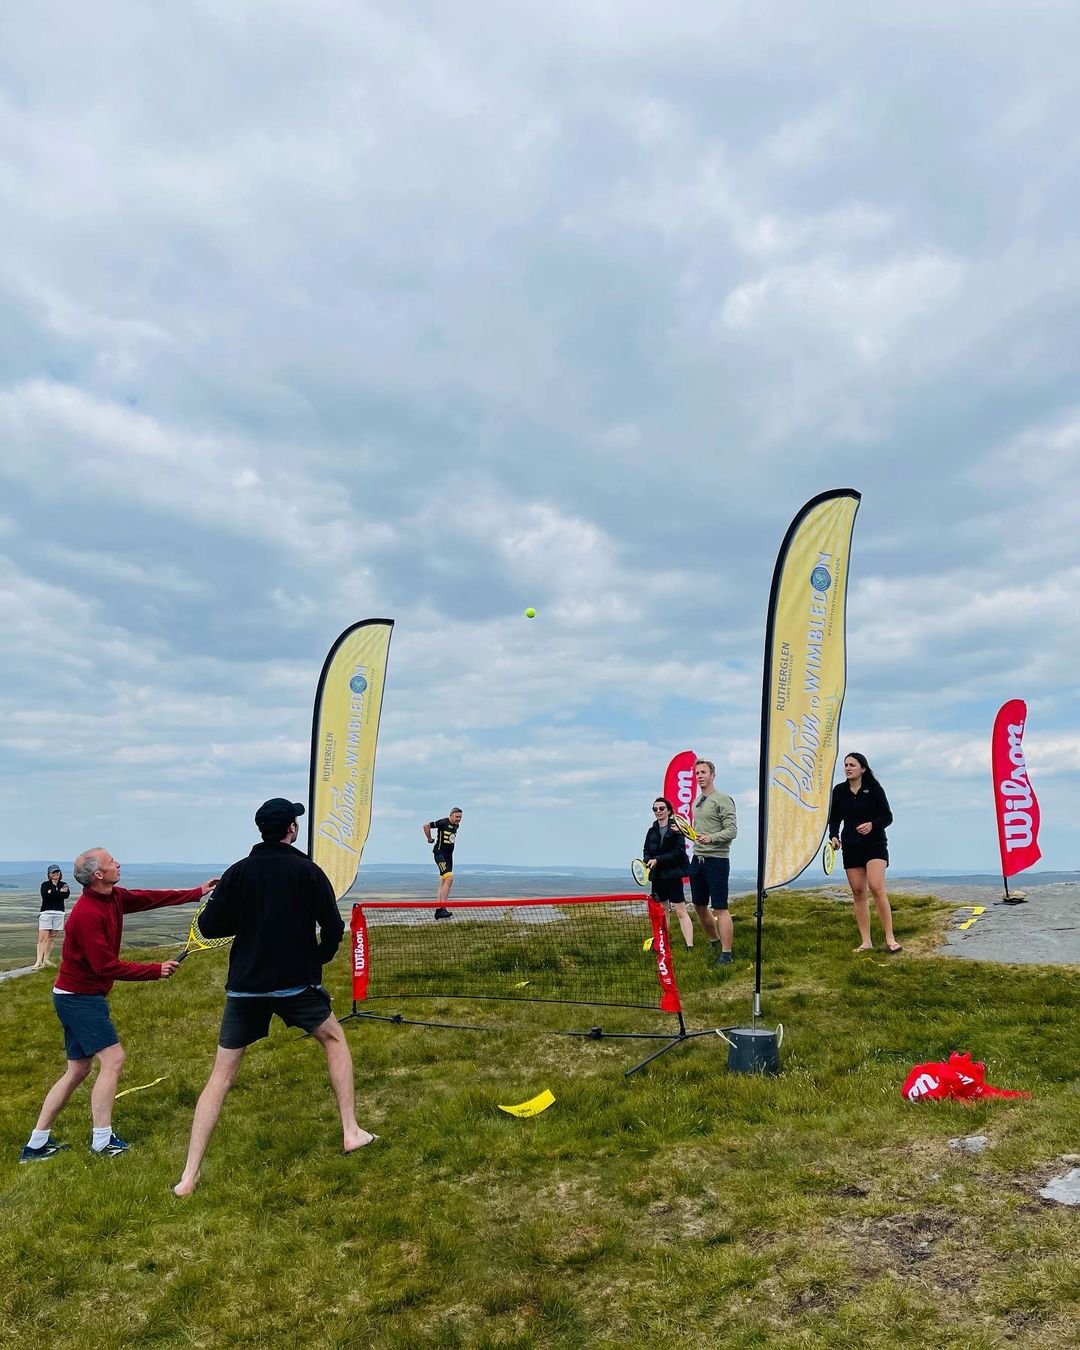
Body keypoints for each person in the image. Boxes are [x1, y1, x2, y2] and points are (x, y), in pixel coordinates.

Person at [173, 798, 376, 1197]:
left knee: (221, 1074)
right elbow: (333, 928)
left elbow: (211, 926)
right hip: (295, 985)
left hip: (244, 987)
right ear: (291, 830)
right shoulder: (308, 871)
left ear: (261, 830)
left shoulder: (237, 874)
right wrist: (320, 956)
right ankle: (351, 1132)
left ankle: (188, 1177)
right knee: (334, 1040)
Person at [19, 850, 217, 1164]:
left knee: (78, 1069)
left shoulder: (114, 897)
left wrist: (196, 893)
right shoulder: (86, 914)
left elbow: (147, 897)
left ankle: (36, 1144)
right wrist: (155, 970)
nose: (118, 864)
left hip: (75, 995)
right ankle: (101, 1140)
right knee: (113, 1060)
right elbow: (105, 966)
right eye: (112, 862)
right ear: (98, 874)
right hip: (79, 999)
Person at [828, 752, 901, 954]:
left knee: (877, 887)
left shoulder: (875, 789)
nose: (848, 768)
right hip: (851, 845)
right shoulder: (839, 791)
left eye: (852, 764)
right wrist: (833, 836)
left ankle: (890, 938)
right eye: (846, 765)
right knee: (859, 893)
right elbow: (834, 819)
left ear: (863, 769)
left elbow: (888, 816)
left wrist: (872, 824)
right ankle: (866, 941)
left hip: (875, 844)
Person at [687, 759, 738, 965]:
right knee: (699, 905)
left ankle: (727, 954)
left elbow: (732, 830)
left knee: (720, 908)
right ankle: (714, 942)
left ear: (712, 775)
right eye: (697, 773)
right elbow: (697, 831)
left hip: (716, 860)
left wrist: (712, 838)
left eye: (703, 772)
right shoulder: (696, 801)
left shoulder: (723, 799)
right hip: (697, 859)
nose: (699, 776)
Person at [643, 798, 693, 949]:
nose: (658, 811)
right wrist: (647, 860)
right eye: (655, 809)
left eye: (661, 808)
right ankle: (663, 943)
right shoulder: (651, 831)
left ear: (669, 811)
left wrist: (657, 860)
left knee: (680, 910)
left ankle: (689, 945)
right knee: (662, 911)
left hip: (673, 874)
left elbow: (679, 853)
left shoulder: (677, 828)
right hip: (657, 876)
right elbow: (646, 850)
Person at [424, 808, 463, 920]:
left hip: (449, 856)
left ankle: (439, 910)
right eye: (456, 817)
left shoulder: (456, 826)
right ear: (450, 815)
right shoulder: (443, 822)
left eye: (460, 817)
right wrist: (429, 839)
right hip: (440, 854)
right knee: (449, 879)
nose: (458, 819)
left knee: (444, 881)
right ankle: (443, 907)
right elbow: (426, 826)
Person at [34, 865, 70, 970]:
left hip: (59, 913)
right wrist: (59, 893)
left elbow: (66, 895)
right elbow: (45, 895)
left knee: (52, 937)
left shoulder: (64, 884)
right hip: (46, 913)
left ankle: (46, 960)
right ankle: (38, 961)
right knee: (42, 938)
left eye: (57, 872)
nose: (56, 874)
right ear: (49, 874)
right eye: (53, 872)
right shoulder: (45, 885)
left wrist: (53, 893)